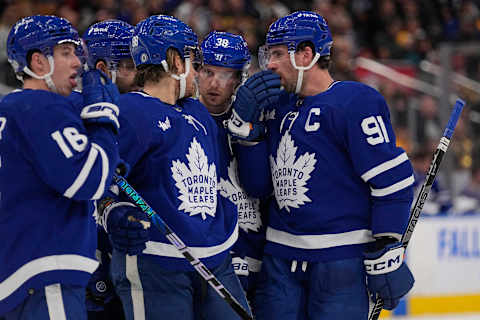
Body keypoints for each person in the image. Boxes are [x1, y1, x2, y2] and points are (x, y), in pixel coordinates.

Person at [227, 11, 415, 319]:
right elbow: (258, 186)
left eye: (277, 54)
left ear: (306, 54)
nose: (269, 65)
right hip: (279, 262)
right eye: (267, 54)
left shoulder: (355, 102)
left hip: (341, 263)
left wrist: (388, 243)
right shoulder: (274, 107)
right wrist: (245, 129)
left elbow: (390, 181)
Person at [95, 15, 250, 319]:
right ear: (175, 61)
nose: (197, 73)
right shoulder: (130, 112)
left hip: (215, 257)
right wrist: (112, 211)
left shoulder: (197, 112)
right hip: (157, 261)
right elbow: (96, 182)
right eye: (193, 59)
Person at [0, 15, 121, 319]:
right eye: (65, 53)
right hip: (43, 271)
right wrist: (104, 120)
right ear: (38, 62)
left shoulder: (14, 109)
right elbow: (88, 180)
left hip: (19, 270)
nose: (78, 63)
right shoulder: (40, 107)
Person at [197, 30, 267, 302]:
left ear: (239, 79)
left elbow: (261, 186)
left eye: (226, 75)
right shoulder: (182, 118)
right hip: (205, 249)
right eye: (208, 72)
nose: (215, 83)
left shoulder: (259, 117)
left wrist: (250, 134)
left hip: (252, 244)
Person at [81, 19, 136, 320]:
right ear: (103, 69)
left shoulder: (139, 109)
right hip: (89, 256)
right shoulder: (73, 114)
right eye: (129, 65)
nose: (139, 73)